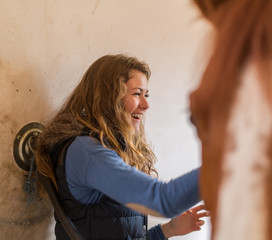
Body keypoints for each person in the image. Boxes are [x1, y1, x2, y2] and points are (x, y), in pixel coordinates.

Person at [35, 54, 209, 239]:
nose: (146, 104)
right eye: (136, 94)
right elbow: (163, 200)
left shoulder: (106, 148)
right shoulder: (87, 152)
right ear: (108, 97)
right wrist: (222, 166)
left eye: (146, 94)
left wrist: (169, 230)